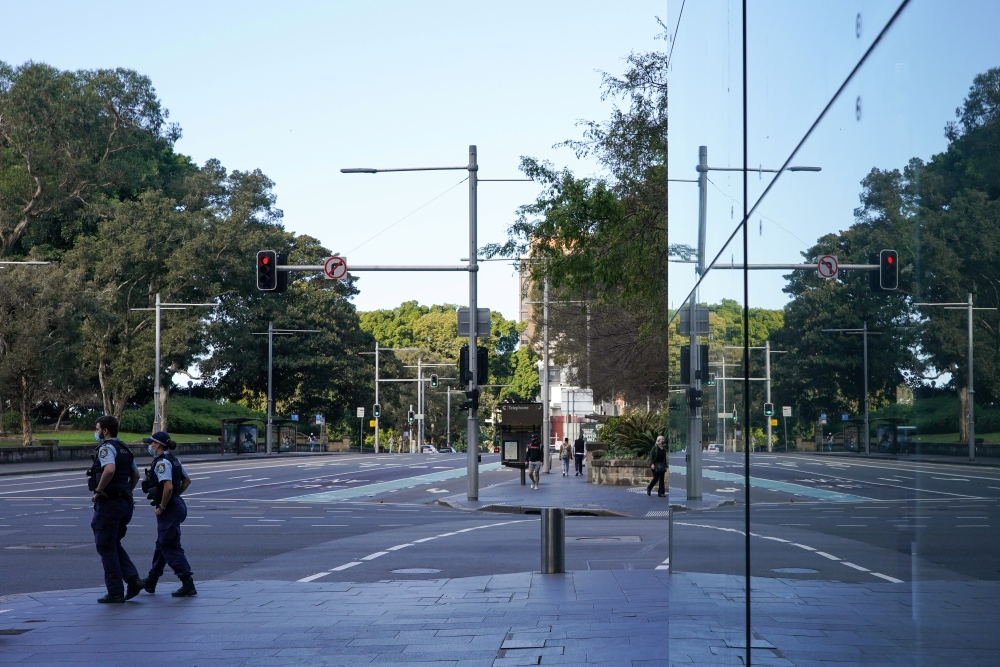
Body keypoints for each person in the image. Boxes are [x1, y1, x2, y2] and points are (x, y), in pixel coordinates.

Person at [89, 415, 143, 603]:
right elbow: (135, 475)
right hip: (125, 504)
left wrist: (98, 490)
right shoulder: (125, 449)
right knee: (113, 544)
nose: (96, 433)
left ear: (105, 431)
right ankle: (133, 579)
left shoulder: (107, 448)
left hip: (109, 504)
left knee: (105, 545)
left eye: (97, 429)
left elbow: (109, 469)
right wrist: (125, 490)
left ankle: (115, 591)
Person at [140, 432, 197, 597]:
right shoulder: (173, 459)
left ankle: (187, 583)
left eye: (151, 443)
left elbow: (168, 486)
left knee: (169, 546)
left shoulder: (162, 463)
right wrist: (176, 497)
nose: (150, 446)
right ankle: (152, 580)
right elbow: (186, 480)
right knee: (162, 544)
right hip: (178, 505)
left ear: (158, 445)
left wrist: (163, 505)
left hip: (170, 509)